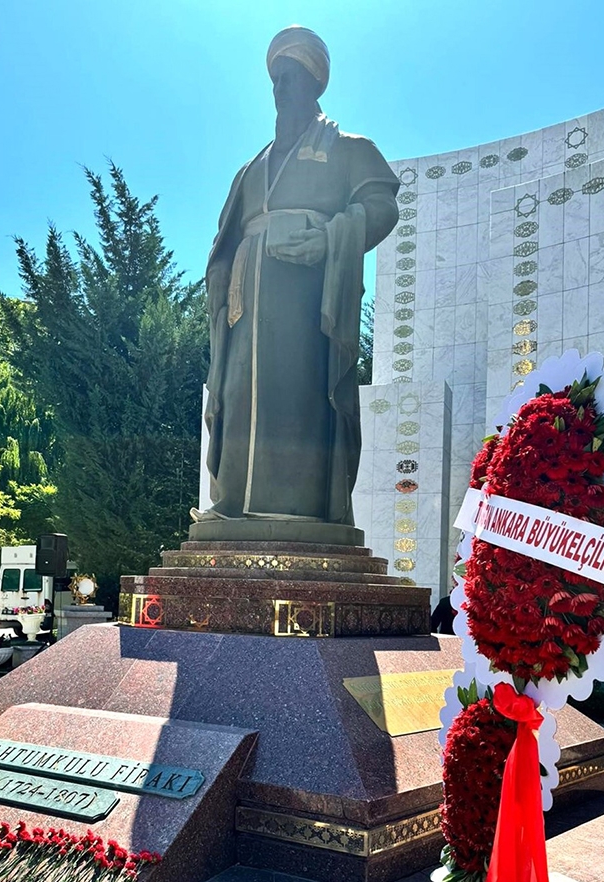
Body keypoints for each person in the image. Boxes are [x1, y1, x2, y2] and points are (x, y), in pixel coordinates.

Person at [195, 25, 399, 531]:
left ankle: (302, 509)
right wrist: (221, 289)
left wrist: (329, 239)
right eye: (275, 79)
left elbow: (381, 206)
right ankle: (234, 505)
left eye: (289, 77)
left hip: (308, 302)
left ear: (314, 82)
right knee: (240, 394)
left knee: (300, 395)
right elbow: (222, 245)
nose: (279, 89)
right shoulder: (250, 169)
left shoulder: (347, 148)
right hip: (244, 312)